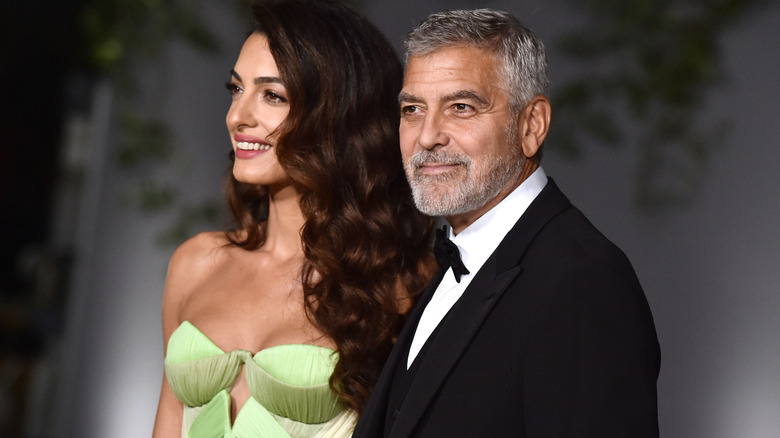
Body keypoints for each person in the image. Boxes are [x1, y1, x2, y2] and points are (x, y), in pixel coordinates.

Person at [353, 8, 661, 438]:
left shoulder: (583, 281)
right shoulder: (454, 261)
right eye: (412, 109)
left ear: (532, 125)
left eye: (461, 107)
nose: (427, 136)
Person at [151, 1, 436, 436]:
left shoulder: (398, 284)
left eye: (272, 96)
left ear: (339, 115)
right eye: (236, 89)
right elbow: (168, 422)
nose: (237, 116)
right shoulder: (196, 262)